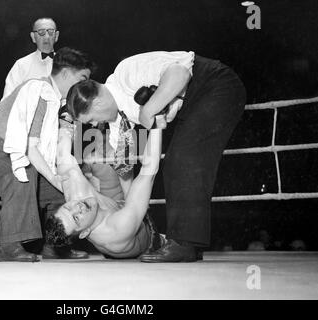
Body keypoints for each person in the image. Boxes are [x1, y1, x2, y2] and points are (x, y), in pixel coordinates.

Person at [66, 51, 246, 262]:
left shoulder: (126, 72)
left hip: (214, 84)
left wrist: (148, 110)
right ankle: (190, 244)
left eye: (92, 120)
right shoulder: (117, 125)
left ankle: (183, 243)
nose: (96, 125)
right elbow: (124, 169)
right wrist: (136, 210)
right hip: (191, 104)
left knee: (181, 160)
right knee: (178, 160)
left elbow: (179, 73)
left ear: (96, 104)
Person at [0, 47, 95, 262]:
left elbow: (51, 154)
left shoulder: (56, 103)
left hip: (19, 159)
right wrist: (53, 177)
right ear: (65, 74)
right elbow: (29, 149)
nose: (84, 86)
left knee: (60, 193)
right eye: (82, 78)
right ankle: (8, 246)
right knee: (25, 171)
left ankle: (55, 245)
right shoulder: (39, 91)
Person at [45, 114, 168, 259]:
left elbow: (63, 154)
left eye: (68, 207)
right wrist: (156, 123)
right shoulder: (118, 228)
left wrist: (67, 117)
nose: (78, 207)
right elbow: (148, 172)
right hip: (145, 239)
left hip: (118, 207)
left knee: (112, 168)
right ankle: (162, 239)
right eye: (76, 218)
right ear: (84, 233)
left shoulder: (75, 194)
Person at [2, 17, 59, 101]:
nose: (46, 37)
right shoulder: (21, 65)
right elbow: (7, 100)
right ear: (33, 37)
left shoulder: (66, 65)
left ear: (56, 36)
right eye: (41, 32)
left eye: (50, 32)